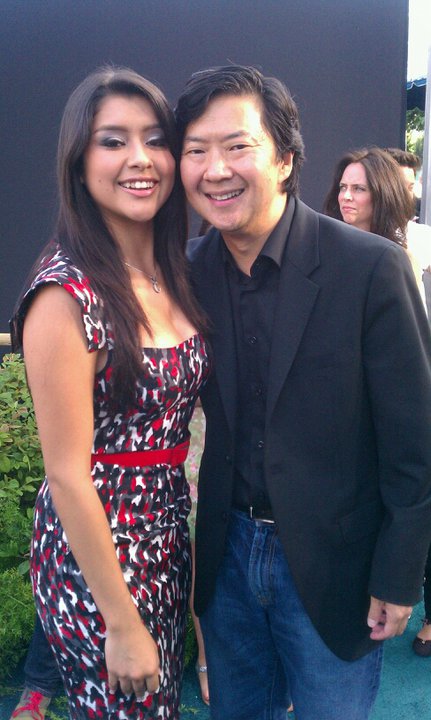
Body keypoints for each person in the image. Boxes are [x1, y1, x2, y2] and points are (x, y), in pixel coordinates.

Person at [175, 65, 431, 720]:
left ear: (285, 159)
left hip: (333, 561)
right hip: (227, 559)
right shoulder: (188, 271)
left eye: (237, 146)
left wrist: (398, 575)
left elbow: (414, 441)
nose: (214, 169)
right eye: (196, 151)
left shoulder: (368, 268)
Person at [9, 65, 209, 720]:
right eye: (112, 140)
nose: (140, 159)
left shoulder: (169, 265)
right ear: (78, 159)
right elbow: (67, 476)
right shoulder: (66, 294)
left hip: (163, 535)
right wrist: (121, 624)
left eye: (154, 138)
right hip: (99, 557)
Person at [323, 146, 427, 307]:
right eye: (343, 187)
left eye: (359, 189)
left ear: (382, 194)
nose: (346, 196)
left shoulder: (400, 259)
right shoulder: (324, 249)